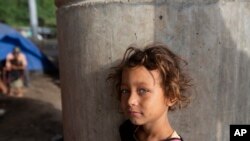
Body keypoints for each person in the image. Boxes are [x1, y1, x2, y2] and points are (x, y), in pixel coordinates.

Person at [107, 43, 192, 141]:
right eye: (125, 90)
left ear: (171, 96)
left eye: (142, 90)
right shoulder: (128, 130)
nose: (130, 101)